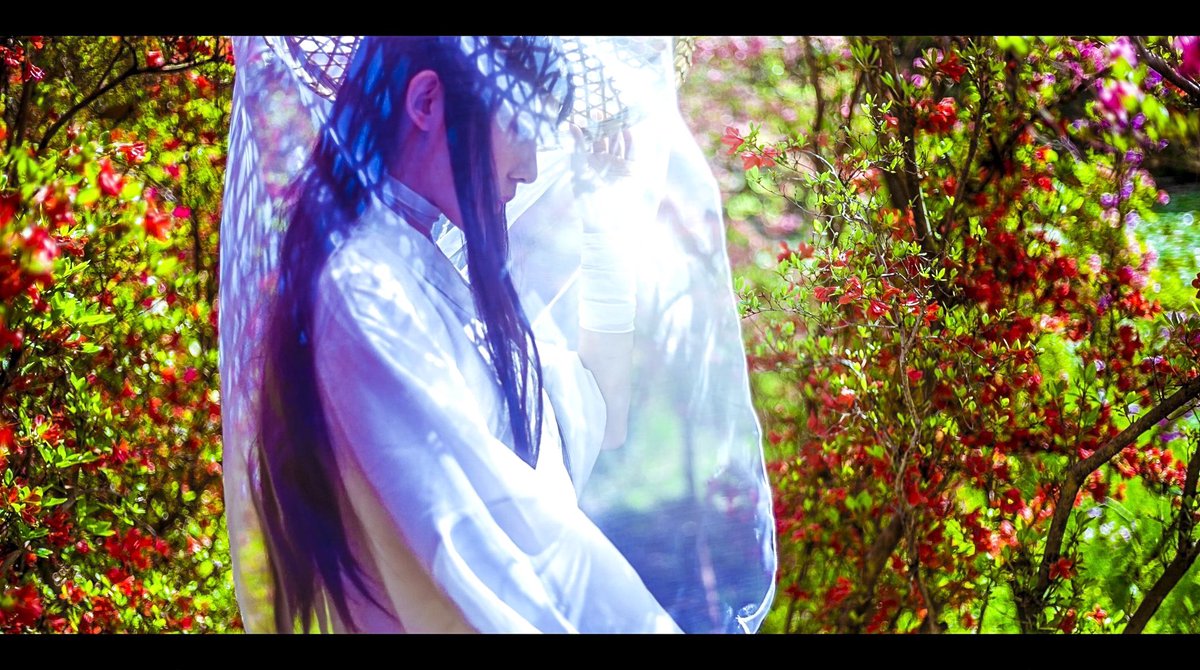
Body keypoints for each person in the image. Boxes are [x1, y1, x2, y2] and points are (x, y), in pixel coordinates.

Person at [220, 36, 777, 634]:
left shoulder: (429, 272)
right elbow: (480, 551)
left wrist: (605, 223)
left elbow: (594, 417)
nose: (531, 167)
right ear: (427, 102)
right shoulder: (364, 290)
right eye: (521, 125)